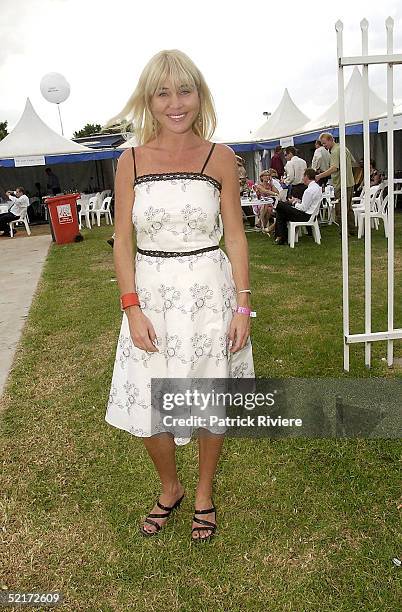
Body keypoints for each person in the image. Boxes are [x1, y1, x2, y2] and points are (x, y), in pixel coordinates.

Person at [104, 49, 255, 542]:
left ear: (200, 95)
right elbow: (122, 238)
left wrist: (242, 304)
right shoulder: (129, 161)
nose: (175, 102)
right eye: (163, 92)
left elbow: (235, 236)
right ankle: (170, 487)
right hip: (150, 296)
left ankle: (205, 493)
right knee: (149, 403)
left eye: (184, 90)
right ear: (148, 99)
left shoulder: (222, 158)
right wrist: (131, 306)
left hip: (210, 293)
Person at [315, 133, 356, 236]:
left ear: (330, 140)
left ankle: (344, 232)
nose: (324, 146)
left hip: (341, 183)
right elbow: (353, 161)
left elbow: (334, 168)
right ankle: (352, 230)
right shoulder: (343, 147)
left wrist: (320, 176)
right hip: (350, 182)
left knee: (340, 209)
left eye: (324, 143)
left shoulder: (334, 151)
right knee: (348, 208)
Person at [274, 168, 322, 245]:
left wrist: (294, 202)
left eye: (303, 176)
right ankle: (281, 237)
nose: (302, 178)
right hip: (311, 214)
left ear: (306, 176)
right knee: (281, 212)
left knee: (280, 205)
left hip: (305, 216)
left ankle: (281, 237)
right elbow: (308, 204)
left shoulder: (309, 190)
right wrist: (298, 201)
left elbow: (303, 208)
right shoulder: (317, 187)